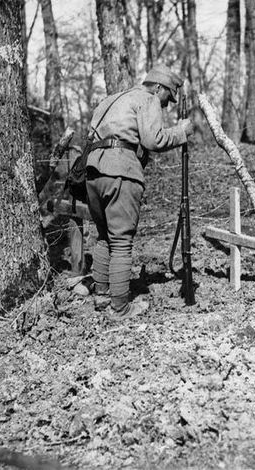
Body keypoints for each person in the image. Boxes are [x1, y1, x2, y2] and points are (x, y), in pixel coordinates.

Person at [85, 65, 194, 319]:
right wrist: (181, 132)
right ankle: (120, 308)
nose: (167, 104)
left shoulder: (111, 99)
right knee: (121, 241)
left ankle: (102, 295)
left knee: (104, 236)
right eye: (168, 96)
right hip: (121, 170)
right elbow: (153, 140)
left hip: (92, 171)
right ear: (158, 87)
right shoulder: (148, 99)